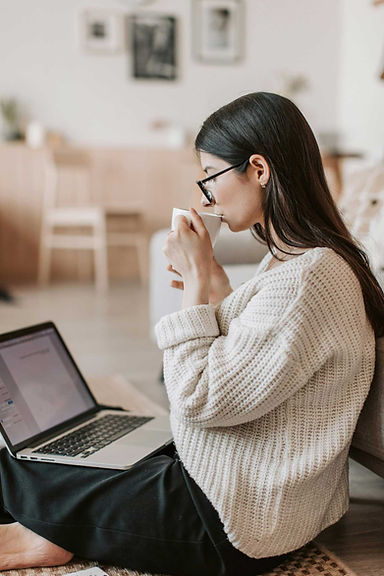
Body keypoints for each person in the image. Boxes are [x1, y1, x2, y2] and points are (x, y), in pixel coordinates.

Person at [0, 92, 383, 576]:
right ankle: (53, 529)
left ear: (259, 170)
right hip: (245, 491)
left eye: (211, 175)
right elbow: (254, 363)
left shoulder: (309, 277)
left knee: (15, 468)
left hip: (228, 520)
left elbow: (198, 397)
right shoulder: (306, 261)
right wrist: (219, 286)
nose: (206, 195)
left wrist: (196, 284)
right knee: (83, 455)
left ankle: (44, 533)